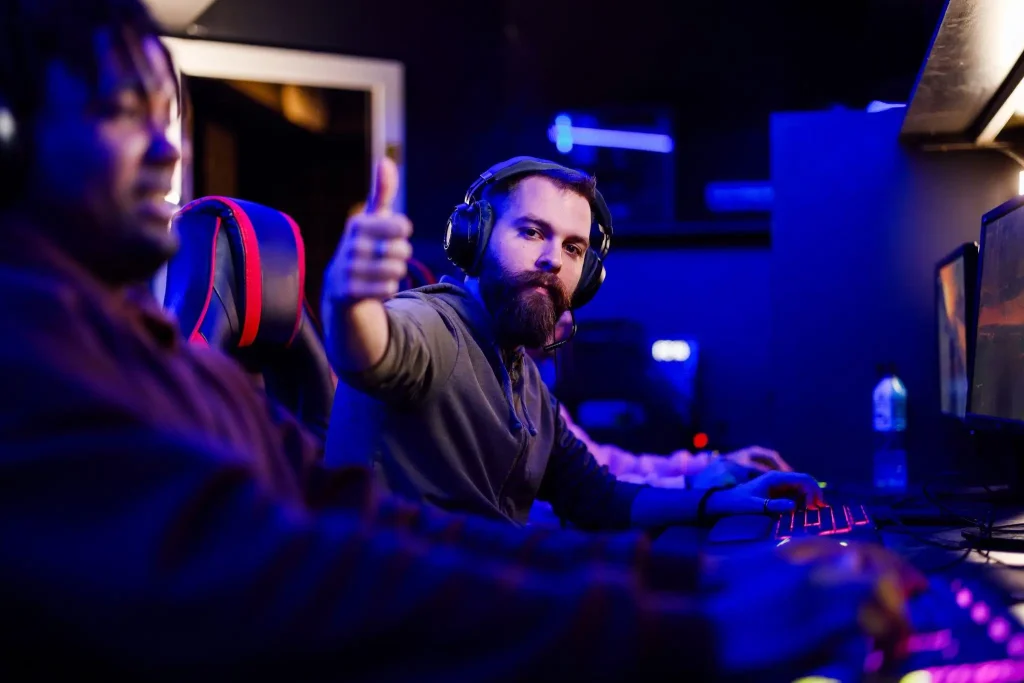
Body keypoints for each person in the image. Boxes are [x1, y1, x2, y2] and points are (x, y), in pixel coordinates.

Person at [0, 1, 923, 678]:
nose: (167, 151)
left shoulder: (171, 362)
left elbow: (383, 518)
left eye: (169, 120)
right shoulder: (31, 359)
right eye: (121, 111)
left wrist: (697, 579)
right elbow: (307, 532)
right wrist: (686, 627)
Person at [325, 156, 822, 531]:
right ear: (473, 239)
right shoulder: (437, 324)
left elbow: (597, 497)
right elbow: (373, 350)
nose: (553, 260)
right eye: (532, 232)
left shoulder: (524, 382)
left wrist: (726, 501)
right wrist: (348, 303)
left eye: (573, 248)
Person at [528, 312, 793, 490]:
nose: (565, 318)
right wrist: (690, 485)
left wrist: (713, 464)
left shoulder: (532, 393)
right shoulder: (500, 396)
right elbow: (577, 499)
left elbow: (606, 465)